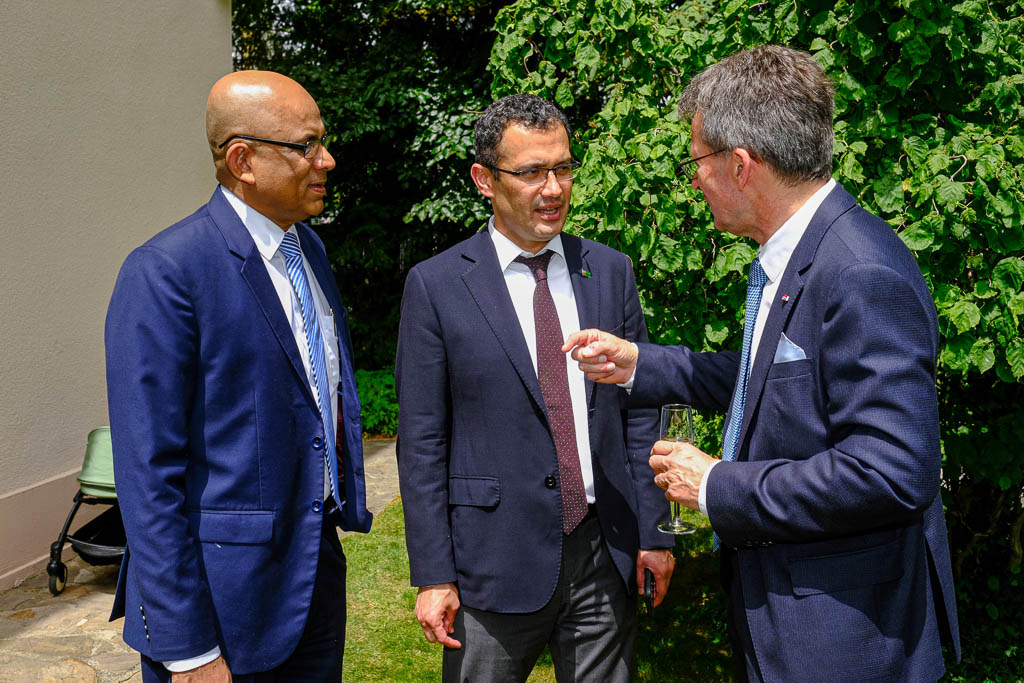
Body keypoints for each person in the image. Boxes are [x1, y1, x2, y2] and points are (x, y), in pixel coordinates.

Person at [563, 46, 961, 682]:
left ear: (741, 165)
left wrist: (717, 485)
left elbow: (891, 472)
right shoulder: (802, 252)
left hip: (845, 639)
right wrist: (637, 363)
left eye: (697, 161)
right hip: (796, 620)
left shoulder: (858, 269)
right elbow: (768, 381)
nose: (695, 180)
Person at [394, 94, 676, 682]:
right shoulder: (437, 286)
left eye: (563, 168)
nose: (553, 189)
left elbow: (639, 412)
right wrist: (434, 574)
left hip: (603, 551)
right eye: (531, 172)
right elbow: (422, 442)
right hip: (490, 562)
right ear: (485, 180)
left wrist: (653, 532)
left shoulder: (610, 270)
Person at [105, 70, 372, 682]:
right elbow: (148, 477)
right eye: (306, 145)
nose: (326, 160)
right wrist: (189, 650)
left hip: (311, 578)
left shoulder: (308, 251)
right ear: (243, 161)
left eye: (323, 141)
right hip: (222, 608)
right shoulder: (165, 272)